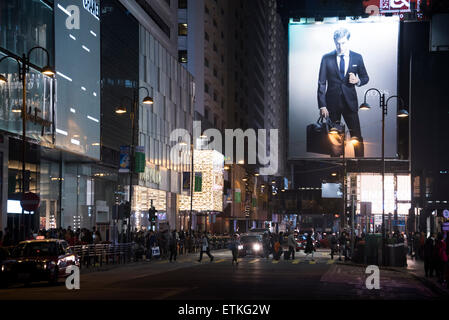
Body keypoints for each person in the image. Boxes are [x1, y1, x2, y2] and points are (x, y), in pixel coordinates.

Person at [317, 27, 369, 157]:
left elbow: (365, 77)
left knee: (356, 135)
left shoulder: (357, 57)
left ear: (348, 41)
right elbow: (321, 83)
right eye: (337, 43)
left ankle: (360, 165)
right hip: (331, 105)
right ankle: (336, 169)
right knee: (334, 139)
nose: (340, 46)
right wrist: (322, 105)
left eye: (343, 43)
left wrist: (357, 81)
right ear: (334, 42)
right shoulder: (326, 58)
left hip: (350, 103)